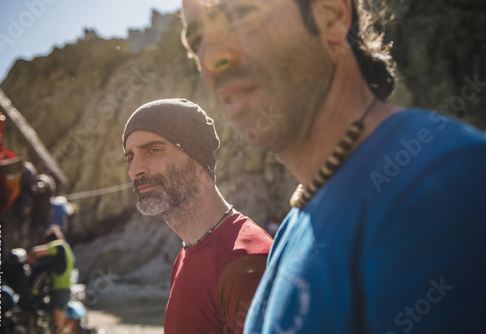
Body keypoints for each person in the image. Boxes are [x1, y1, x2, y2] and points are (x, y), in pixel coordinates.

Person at [180, 0, 486, 333]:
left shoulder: (441, 182)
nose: (211, 57)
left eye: (240, 14)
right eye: (197, 41)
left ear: (331, 15)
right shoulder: (295, 226)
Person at [122, 98, 273, 333]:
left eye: (153, 150)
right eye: (130, 157)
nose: (134, 171)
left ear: (198, 160)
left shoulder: (247, 261)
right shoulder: (185, 254)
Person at [29, 225, 75, 334]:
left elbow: (35, 251)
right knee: (59, 323)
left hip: (59, 289)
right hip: (66, 288)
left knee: (58, 325)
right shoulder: (67, 249)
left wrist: (28, 260)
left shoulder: (58, 245)